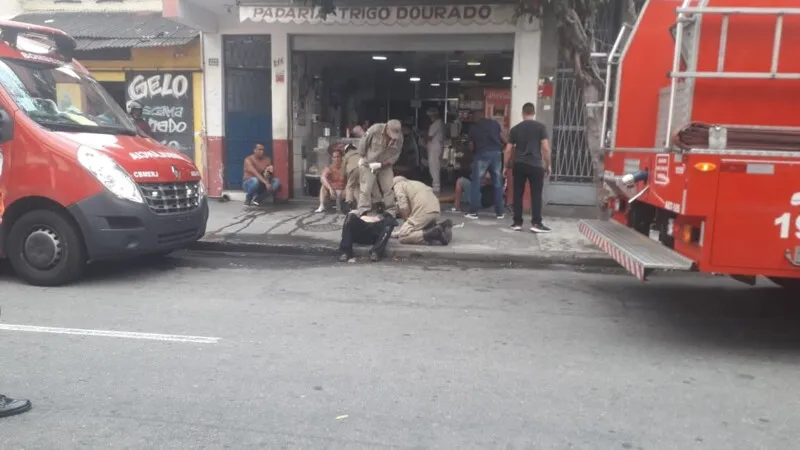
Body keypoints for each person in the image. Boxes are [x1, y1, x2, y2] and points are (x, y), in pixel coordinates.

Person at [504, 102, 552, 233]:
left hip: (519, 165)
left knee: (517, 194)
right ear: (533, 112)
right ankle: (536, 223)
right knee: (536, 195)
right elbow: (546, 149)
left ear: (523, 113)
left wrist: (505, 166)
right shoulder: (541, 127)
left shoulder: (515, 129)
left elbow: (508, 150)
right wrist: (548, 165)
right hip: (536, 165)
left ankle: (517, 223)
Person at [355, 120, 404, 216]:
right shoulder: (375, 129)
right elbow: (363, 143)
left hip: (385, 165)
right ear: (387, 128)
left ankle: (391, 210)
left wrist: (384, 164)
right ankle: (363, 210)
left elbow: (396, 154)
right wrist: (363, 158)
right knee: (366, 188)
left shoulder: (399, 137)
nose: (393, 138)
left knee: (389, 187)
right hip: (369, 163)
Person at [466, 110, 505, 219]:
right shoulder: (495, 124)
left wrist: (471, 152)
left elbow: (472, 146)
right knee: (497, 182)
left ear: (476, 116)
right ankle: (500, 212)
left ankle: (473, 211)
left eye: (473, 116)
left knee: (476, 182)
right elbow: (503, 138)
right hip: (496, 154)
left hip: (482, 154)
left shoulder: (474, 128)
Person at [391, 176, 452, 246]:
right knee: (417, 228)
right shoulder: (416, 183)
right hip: (436, 210)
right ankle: (441, 227)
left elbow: (403, 207)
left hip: (424, 211)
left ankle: (431, 234)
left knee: (403, 237)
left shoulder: (398, 185)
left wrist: (406, 224)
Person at [316, 148, 347, 213]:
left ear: (341, 157)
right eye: (334, 157)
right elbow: (323, 177)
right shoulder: (329, 168)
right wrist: (330, 188)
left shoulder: (346, 168)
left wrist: (346, 189)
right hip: (332, 193)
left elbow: (351, 180)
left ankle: (354, 207)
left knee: (353, 187)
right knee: (323, 187)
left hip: (344, 192)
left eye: (338, 157)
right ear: (332, 158)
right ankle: (321, 205)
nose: (336, 159)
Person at [425, 107, 445, 194]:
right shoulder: (440, 123)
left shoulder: (436, 124)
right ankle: (436, 185)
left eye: (430, 116)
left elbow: (429, 136)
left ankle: (436, 187)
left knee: (434, 167)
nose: (430, 118)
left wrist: (423, 136)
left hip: (435, 147)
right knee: (435, 166)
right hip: (438, 146)